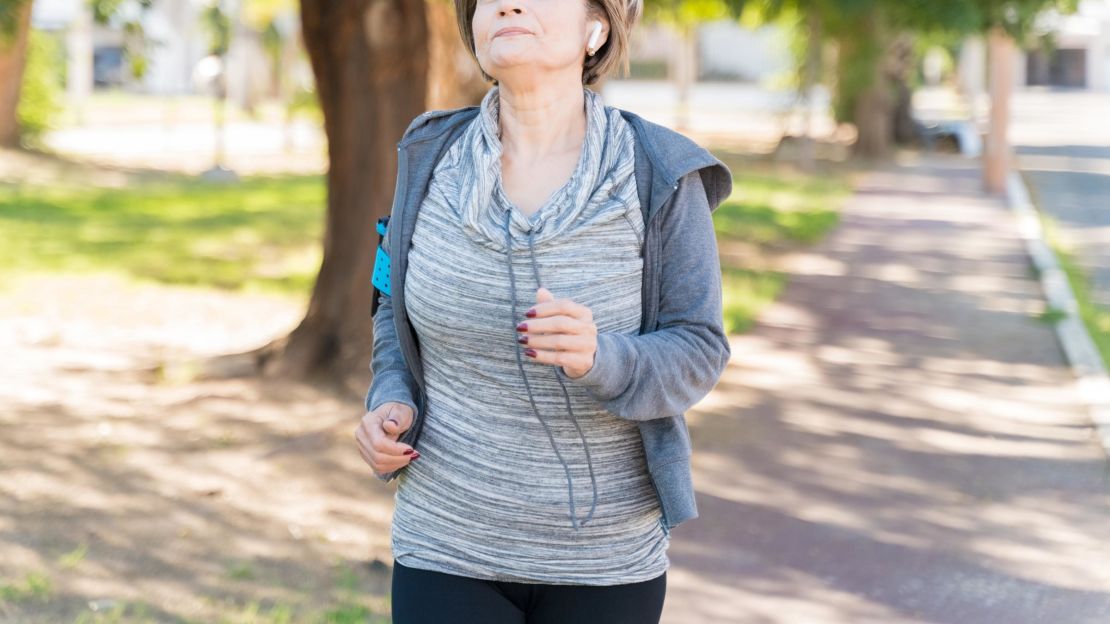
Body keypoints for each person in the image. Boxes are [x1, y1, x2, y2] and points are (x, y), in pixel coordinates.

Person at [353, 0, 733, 620]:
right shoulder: (427, 156)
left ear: (597, 26)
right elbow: (392, 308)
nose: (507, 3)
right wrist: (389, 398)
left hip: (604, 561)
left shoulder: (659, 172)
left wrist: (602, 358)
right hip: (445, 544)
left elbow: (699, 349)